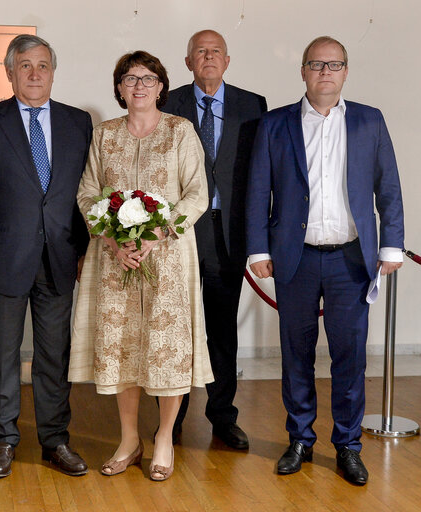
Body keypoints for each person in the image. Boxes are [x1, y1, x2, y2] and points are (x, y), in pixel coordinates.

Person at [246, 36, 404, 486]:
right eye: (317, 64)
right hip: (293, 260)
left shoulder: (368, 121)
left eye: (334, 65)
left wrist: (391, 245)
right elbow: (259, 191)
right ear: (303, 71)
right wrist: (258, 248)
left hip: (351, 261)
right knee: (295, 355)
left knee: (349, 358)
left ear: (346, 72)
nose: (326, 73)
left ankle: (348, 446)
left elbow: (388, 188)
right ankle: (300, 439)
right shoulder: (275, 125)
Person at [69, 51, 212, 481]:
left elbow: (196, 194)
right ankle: (129, 438)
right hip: (114, 260)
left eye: (148, 79)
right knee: (124, 347)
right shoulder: (104, 135)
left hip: (166, 257)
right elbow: (87, 193)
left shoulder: (180, 131)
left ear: (162, 86)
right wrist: (112, 238)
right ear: (118, 88)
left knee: (166, 347)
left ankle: (164, 435)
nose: (139, 87)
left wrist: (157, 232)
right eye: (130, 79)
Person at [0, 34, 92, 479]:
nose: (35, 74)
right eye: (25, 66)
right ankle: (4, 440)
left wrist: (85, 252)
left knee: (56, 356)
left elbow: (87, 196)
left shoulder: (79, 122)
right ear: (9, 71)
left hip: (60, 258)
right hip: (1, 261)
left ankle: (55, 440)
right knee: (1, 355)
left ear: (53, 71)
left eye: (43, 66)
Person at [160, 29, 266, 449]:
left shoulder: (252, 105)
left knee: (222, 330)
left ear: (227, 60)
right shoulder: (169, 103)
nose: (208, 57)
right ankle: (173, 417)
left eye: (215, 51)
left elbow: (261, 175)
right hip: (180, 231)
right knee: (178, 328)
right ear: (187, 62)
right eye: (199, 52)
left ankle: (222, 416)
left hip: (228, 231)